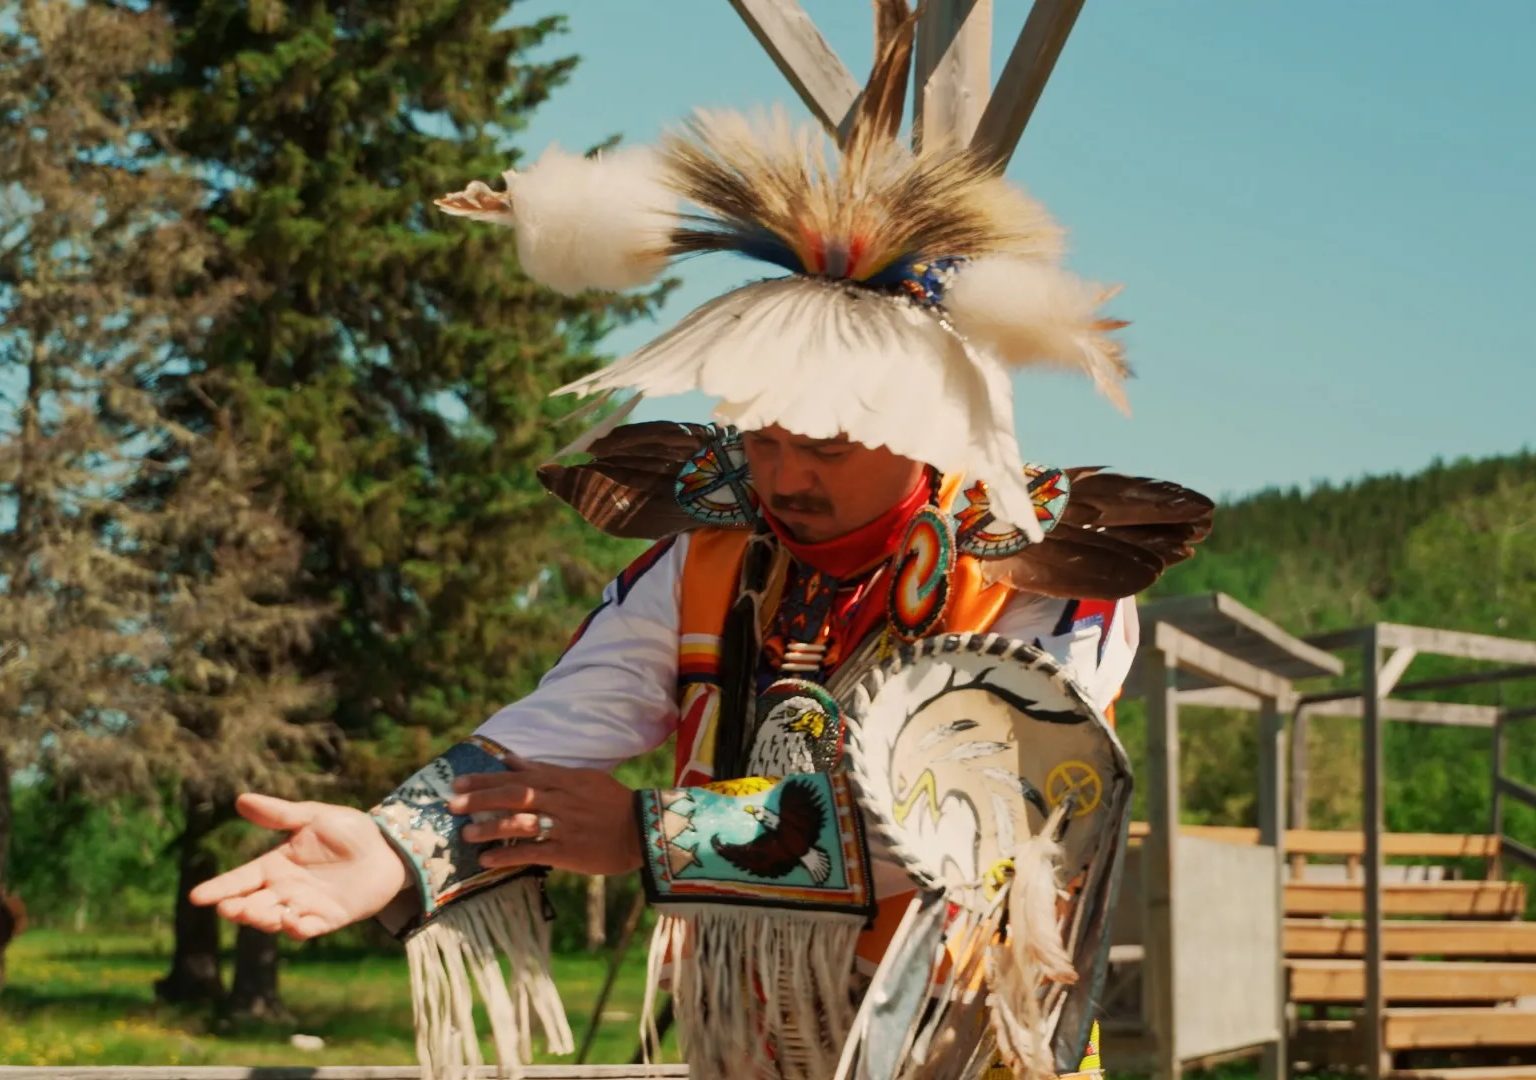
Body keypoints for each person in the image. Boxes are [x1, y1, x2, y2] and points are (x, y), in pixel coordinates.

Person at [191, 9, 1212, 1078]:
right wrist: (398, 842)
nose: (785, 477)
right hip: (751, 1037)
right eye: (762, 438)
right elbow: (568, 721)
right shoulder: (714, 547)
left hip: (967, 1041)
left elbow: (968, 817)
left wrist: (653, 835)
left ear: (924, 430)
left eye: (825, 445)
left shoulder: (1042, 564)